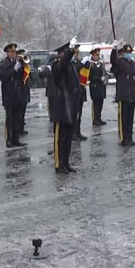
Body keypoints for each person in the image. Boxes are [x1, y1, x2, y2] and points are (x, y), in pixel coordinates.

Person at [51, 41, 78, 174]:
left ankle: (66, 162)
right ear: (62, 53)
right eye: (66, 52)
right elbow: (62, 65)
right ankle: (59, 163)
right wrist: (71, 51)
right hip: (61, 107)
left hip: (70, 106)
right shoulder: (57, 64)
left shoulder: (71, 66)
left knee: (68, 138)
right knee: (60, 138)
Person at [0, 43, 27, 148]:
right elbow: (3, 77)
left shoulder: (18, 62)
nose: (14, 54)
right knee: (9, 119)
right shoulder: (2, 64)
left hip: (17, 94)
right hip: (9, 95)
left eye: (14, 52)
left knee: (17, 118)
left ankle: (16, 139)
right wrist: (14, 69)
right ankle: (9, 140)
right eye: (11, 52)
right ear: (7, 53)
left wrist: (23, 66)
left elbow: (23, 77)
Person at [110, 41, 135, 146]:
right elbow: (113, 61)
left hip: (132, 93)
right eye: (126, 52)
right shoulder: (120, 62)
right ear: (122, 53)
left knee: (130, 117)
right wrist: (114, 49)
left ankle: (129, 137)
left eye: (130, 52)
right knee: (123, 117)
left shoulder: (133, 64)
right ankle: (124, 138)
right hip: (123, 93)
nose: (128, 54)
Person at [16, 49, 31, 136]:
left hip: (25, 90)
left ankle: (21, 128)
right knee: (19, 112)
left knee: (23, 112)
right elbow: (18, 75)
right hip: (19, 90)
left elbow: (28, 77)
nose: (22, 56)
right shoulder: (18, 66)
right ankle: (18, 128)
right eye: (20, 55)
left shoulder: (25, 65)